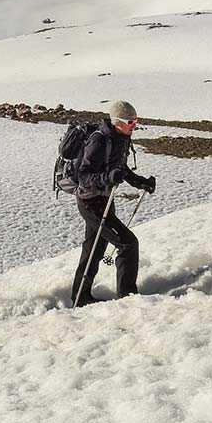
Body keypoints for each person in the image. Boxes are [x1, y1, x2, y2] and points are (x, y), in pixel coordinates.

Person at [69, 100, 157, 306]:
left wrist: (140, 182)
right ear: (117, 122)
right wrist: (107, 177)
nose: (134, 126)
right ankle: (127, 299)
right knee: (127, 244)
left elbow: (121, 169)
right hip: (90, 202)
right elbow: (84, 176)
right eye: (130, 122)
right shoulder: (99, 141)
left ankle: (80, 297)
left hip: (104, 199)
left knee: (94, 249)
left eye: (136, 121)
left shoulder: (120, 138)